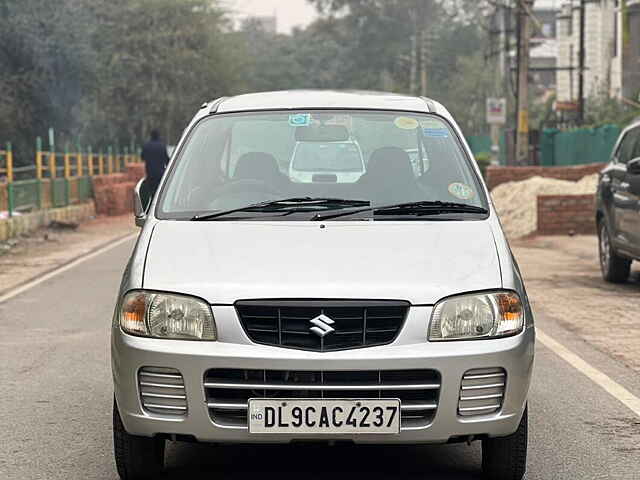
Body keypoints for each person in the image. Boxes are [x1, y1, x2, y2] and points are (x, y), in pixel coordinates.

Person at [141, 129, 170, 198]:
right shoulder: (162, 146)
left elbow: (142, 157)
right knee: (160, 193)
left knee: (152, 193)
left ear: (150, 136)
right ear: (158, 136)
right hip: (161, 174)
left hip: (150, 174)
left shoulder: (146, 146)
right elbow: (167, 160)